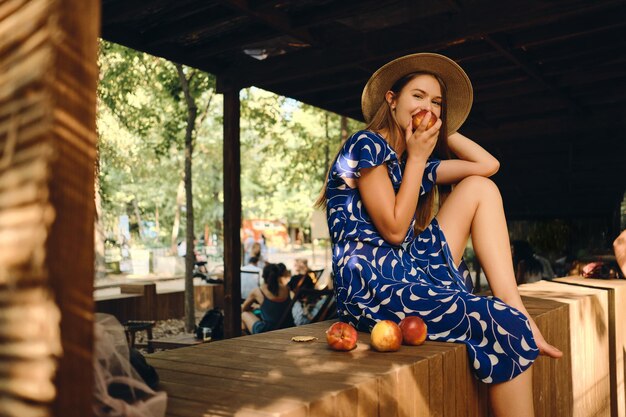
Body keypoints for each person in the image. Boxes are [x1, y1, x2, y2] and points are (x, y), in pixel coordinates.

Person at [315, 53, 562, 417]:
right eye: (418, 96)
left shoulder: (411, 159)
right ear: (391, 98)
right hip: (372, 288)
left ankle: (515, 305)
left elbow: (488, 166)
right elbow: (396, 230)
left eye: (436, 102)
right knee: (499, 323)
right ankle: (512, 317)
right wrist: (416, 157)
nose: (427, 107)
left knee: (480, 187)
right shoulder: (366, 145)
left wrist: (437, 128)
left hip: (408, 268)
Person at [241, 263, 294, 334]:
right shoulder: (286, 289)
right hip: (288, 326)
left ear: (263, 276)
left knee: (243, 314)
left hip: (267, 330)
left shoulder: (258, 291)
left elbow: (244, 308)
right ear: (278, 275)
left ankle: (244, 339)